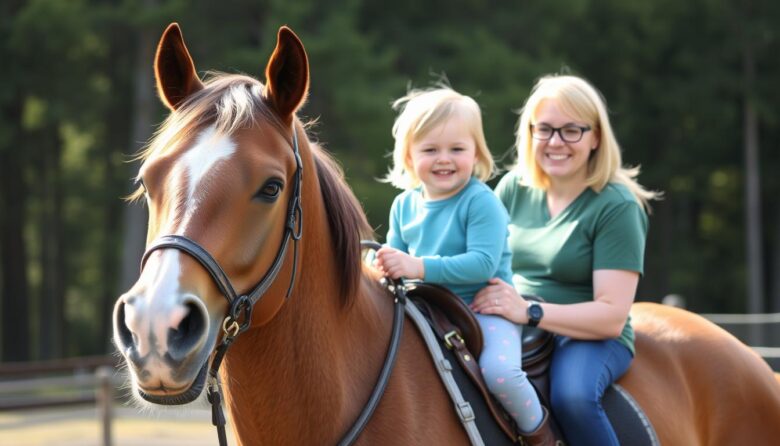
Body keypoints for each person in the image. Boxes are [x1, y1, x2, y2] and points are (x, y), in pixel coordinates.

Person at [471, 74, 661, 446]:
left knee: (572, 398)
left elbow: (610, 315)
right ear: (530, 133)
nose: (556, 142)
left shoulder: (617, 206)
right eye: (545, 129)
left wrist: (529, 312)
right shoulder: (513, 187)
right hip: (516, 319)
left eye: (571, 130)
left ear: (596, 138)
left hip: (588, 332)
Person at [374, 86, 554, 445]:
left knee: (501, 373)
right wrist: (379, 265)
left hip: (483, 308)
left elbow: (482, 265)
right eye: (430, 150)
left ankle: (542, 437)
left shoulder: (480, 201)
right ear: (409, 157)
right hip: (425, 311)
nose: (444, 159)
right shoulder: (404, 205)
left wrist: (416, 266)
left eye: (457, 149)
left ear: (476, 153)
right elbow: (395, 258)